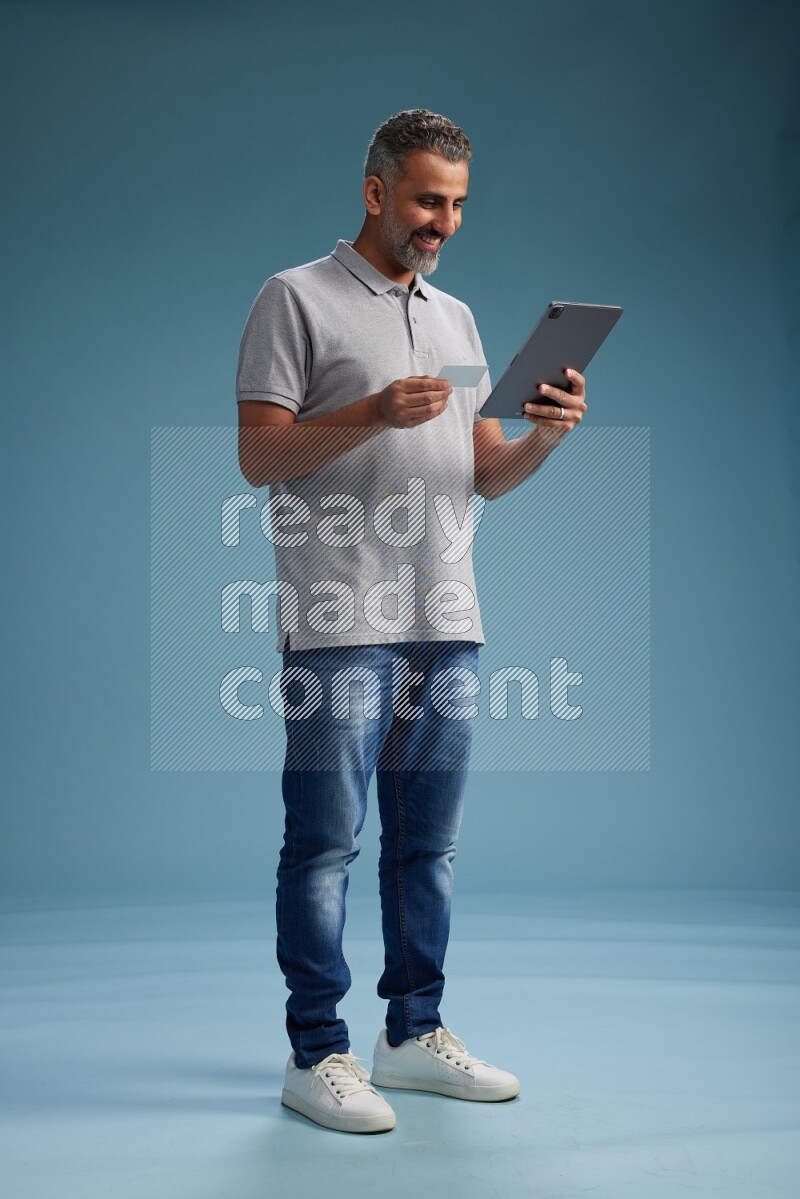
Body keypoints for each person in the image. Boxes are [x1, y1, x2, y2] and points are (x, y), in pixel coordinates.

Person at [236, 109, 587, 1134]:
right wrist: (368, 415)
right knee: (324, 844)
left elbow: (481, 472)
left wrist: (543, 436)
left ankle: (409, 1031)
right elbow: (259, 456)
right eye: (428, 198)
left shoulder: (458, 319)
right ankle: (317, 1052)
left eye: (458, 204)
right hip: (338, 614)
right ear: (375, 189)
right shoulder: (291, 298)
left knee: (424, 847)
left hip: (448, 613)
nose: (443, 220)